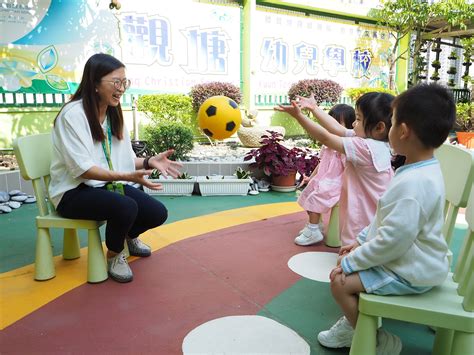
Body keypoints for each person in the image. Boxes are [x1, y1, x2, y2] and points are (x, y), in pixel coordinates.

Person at [318, 84, 455, 353]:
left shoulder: (413, 185)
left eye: (391, 124)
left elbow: (393, 242)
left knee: (339, 282)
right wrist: (359, 242)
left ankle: (373, 338)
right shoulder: (420, 169)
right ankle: (359, 321)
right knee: (347, 263)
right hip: (419, 260)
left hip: (411, 271)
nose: (388, 130)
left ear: (402, 131)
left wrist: (353, 261)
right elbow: (385, 219)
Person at [49, 53, 182, 283]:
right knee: (126, 206)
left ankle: (130, 236)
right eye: (116, 82)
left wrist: (150, 161)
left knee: (157, 212)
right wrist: (127, 176)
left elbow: (126, 161)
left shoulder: (113, 115)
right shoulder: (72, 115)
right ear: (95, 84)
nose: (122, 89)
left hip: (104, 185)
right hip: (72, 191)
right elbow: (83, 170)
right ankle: (114, 254)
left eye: (124, 82)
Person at [276, 92, 394, 246]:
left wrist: (299, 116)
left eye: (358, 119)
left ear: (379, 127)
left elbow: (326, 137)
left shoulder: (365, 147)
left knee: (352, 259)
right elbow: (338, 129)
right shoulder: (377, 143)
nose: (353, 123)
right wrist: (314, 108)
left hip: (362, 220)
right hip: (374, 219)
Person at [295, 104, 355, 246]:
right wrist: (311, 177)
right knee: (307, 194)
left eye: (336, 123)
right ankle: (315, 225)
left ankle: (313, 231)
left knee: (316, 197)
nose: (331, 127)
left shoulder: (344, 146)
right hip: (324, 178)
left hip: (337, 182)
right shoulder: (327, 145)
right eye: (330, 122)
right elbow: (322, 163)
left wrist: (348, 188)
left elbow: (349, 169)